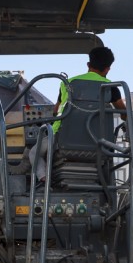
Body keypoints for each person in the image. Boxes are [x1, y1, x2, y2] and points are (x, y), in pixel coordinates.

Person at [29, 46, 127, 181]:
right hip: (99, 142)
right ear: (107, 69)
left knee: (34, 152)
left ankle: (44, 178)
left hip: (63, 138)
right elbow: (124, 113)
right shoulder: (111, 88)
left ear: (88, 64)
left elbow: (56, 111)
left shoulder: (68, 84)